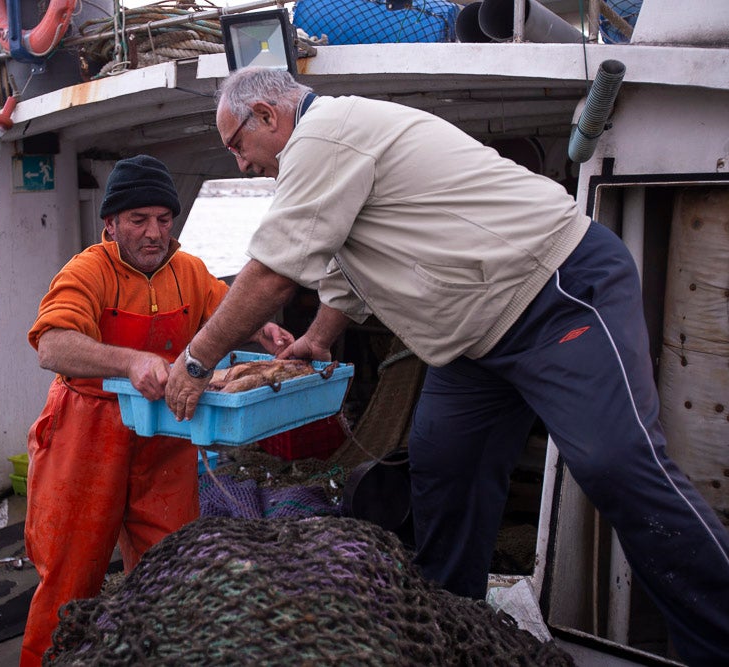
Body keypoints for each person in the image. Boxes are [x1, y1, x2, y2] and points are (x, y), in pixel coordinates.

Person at [165, 67, 729, 664]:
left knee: (618, 465)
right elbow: (346, 267)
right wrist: (321, 338)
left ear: (268, 116)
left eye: (236, 145)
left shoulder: (323, 136)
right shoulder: (323, 148)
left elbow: (272, 272)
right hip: (474, 342)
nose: (241, 164)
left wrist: (196, 360)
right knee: (444, 468)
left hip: (556, 292)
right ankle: (453, 638)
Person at [22, 154, 292, 665]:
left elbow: (226, 304)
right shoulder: (87, 270)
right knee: (69, 576)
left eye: (164, 220)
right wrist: (129, 361)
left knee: (169, 566)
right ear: (111, 224)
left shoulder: (188, 269)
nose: (154, 233)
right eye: (138, 220)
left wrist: (264, 330)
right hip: (86, 434)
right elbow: (51, 346)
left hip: (165, 431)